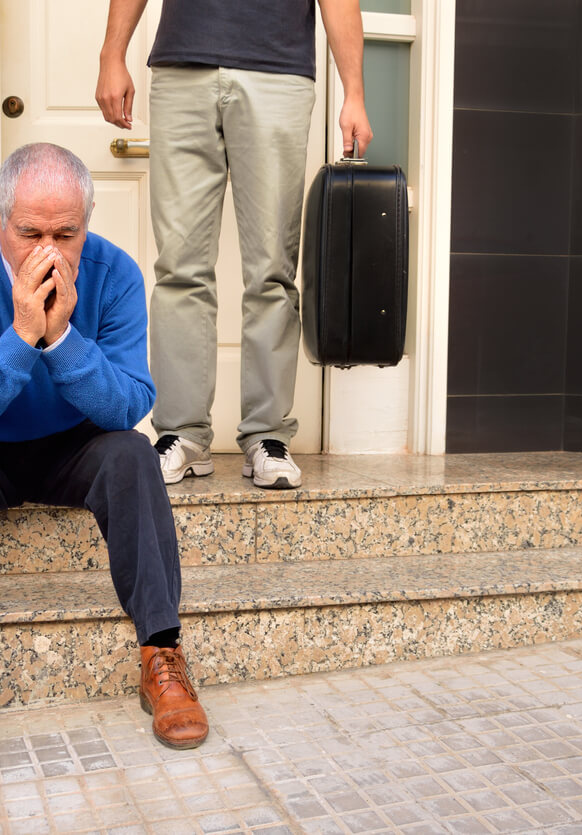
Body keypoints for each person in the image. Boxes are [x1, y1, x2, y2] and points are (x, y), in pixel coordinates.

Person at [0, 142, 209, 784]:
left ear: (87, 224)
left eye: (66, 234)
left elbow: (129, 404)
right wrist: (20, 336)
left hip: (76, 442)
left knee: (133, 455)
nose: (49, 250)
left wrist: (65, 339)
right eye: (31, 232)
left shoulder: (116, 274)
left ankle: (162, 654)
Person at [96, 0, 373, 489]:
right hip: (182, 68)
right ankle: (182, 434)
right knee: (180, 267)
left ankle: (267, 434)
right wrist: (111, 55)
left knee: (272, 270)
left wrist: (354, 91)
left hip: (278, 74)